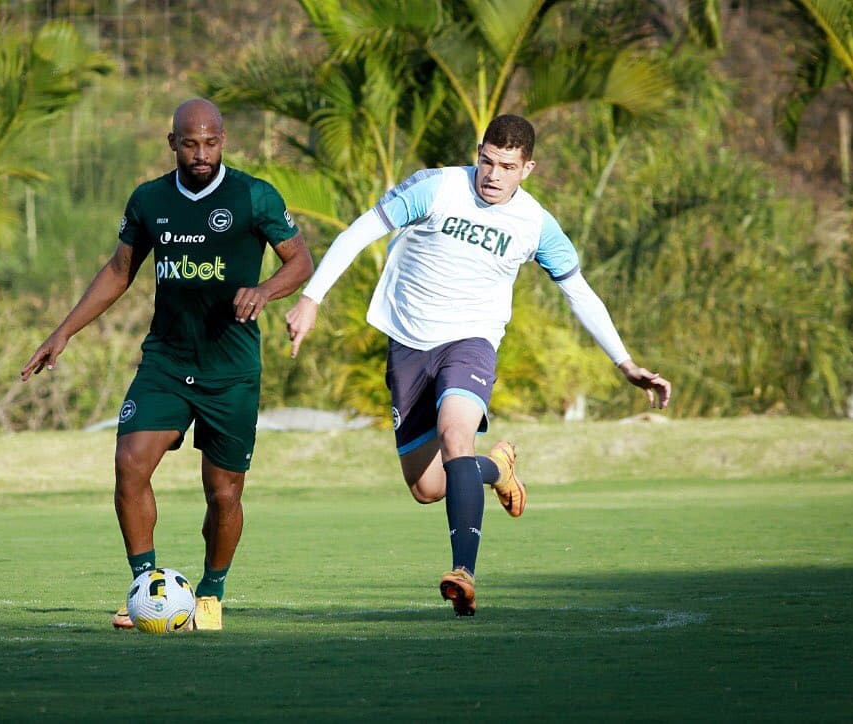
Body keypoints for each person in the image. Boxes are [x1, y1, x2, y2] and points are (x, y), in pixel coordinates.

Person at [284, 114, 671, 617]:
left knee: (456, 436)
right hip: (409, 343)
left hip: (472, 342)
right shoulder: (437, 188)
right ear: (478, 152)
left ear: (527, 168)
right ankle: (497, 469)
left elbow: (578, 291)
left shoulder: (537, 225)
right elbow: (362, 230)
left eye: (506, 166)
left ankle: (463, 573)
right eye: (486, 161)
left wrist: (625, 362)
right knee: (426, 487)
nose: (492, 174)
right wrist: (312, 298)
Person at [20, 98, 313, 630]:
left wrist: (266, 290)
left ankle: (211, 593)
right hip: (167, 361)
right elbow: (119, 270)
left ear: (223, 139)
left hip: (231, 370)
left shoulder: (254, 195)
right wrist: (63, 331)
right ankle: (146, 588)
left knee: (224, 493)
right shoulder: (150, 199)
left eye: (211, 142)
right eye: (190, 143)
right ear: (171, 142)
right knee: (130, 464)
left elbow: (300, 260)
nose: (201, 154)